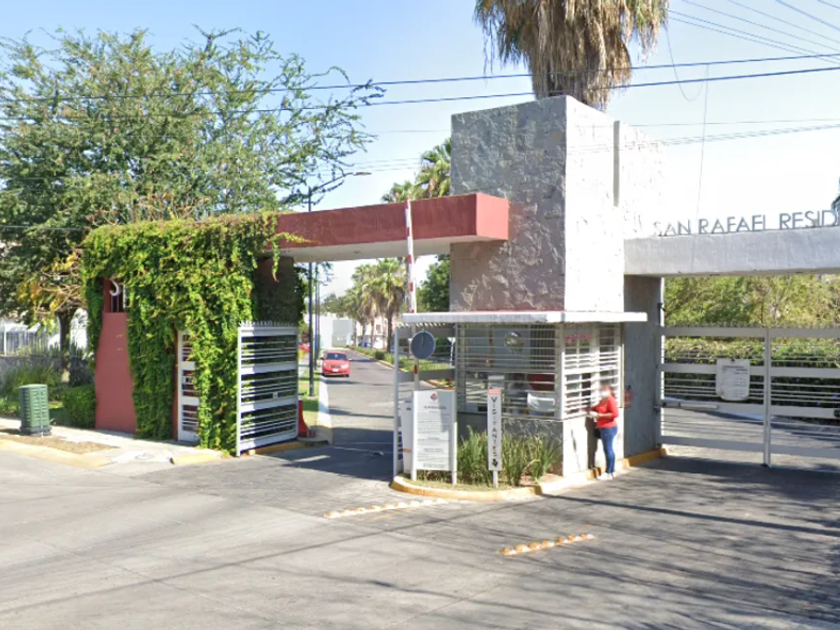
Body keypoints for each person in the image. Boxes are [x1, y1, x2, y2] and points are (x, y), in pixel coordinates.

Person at [590, 383, 619, 480]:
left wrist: (600, 416)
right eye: (602, 389)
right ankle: (612, 471)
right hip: (603, 427)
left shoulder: (610, 400)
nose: (602, 391)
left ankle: (609, 472)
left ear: (610, 390)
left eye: (605, 389)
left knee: (608, 450)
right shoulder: (603, 400)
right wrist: (590, 410)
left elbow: (615, 414)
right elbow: (597, 407)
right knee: (609, 449)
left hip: (608, 428)